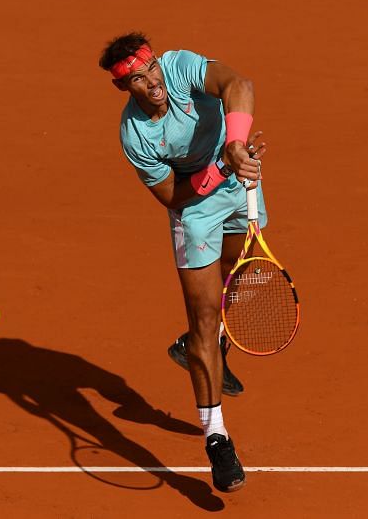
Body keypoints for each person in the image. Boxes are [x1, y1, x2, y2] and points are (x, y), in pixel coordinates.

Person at [98, 32, 268, 493]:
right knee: (205, 315)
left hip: (238, 182)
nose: (152, 82)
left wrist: (234, 146)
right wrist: (221, 169)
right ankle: (217, 439)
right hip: (194, 211)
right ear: (124, 88)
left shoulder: (179, 67)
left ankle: (199, 345)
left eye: (150, 68)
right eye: (137, 79)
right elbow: (172, 195)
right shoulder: (135, 135)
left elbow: (239, 84)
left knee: (244, 272)